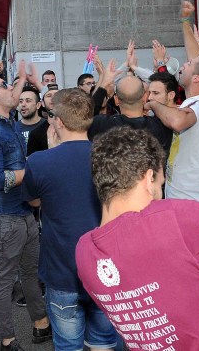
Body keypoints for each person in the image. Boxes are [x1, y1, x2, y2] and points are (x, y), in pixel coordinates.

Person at [76, 127, 199, 350]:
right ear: (148, 178)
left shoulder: (85, 252)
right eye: (160, 184)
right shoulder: (166, 220)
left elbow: (159, 294)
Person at [23, 88, 116, 350]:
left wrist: (52, 153)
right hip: (106, 268)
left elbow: (34, 201)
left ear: (59, 122)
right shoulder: (110, 157)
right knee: (104, 342)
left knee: (67, 345)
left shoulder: (40, 161)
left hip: (62, 268)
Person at [0, 65, 51, 351]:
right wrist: (33, 168)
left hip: (24, 213)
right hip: (6, 218)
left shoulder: (7, 122)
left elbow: (13, 93)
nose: (12, 90)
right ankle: (7, 340)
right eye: (5, 86)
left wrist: (22, 78)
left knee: (31, 273)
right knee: (4, 281)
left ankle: (41, 323)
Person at [145, 1, 199, 202]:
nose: (184, 65)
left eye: (188, 64)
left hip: (188, 202)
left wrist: (152, 103)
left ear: (197, 78)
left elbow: (178, 121)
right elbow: (197, 57)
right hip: (195, 197)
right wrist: (185, 20)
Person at [89, 75, 172, 154]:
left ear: (116, 100)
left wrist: (103, 85)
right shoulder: (161, 126)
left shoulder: (100, 123)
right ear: (145, 97)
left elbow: (88, 114)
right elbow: (173, 118)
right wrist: (153, 105)